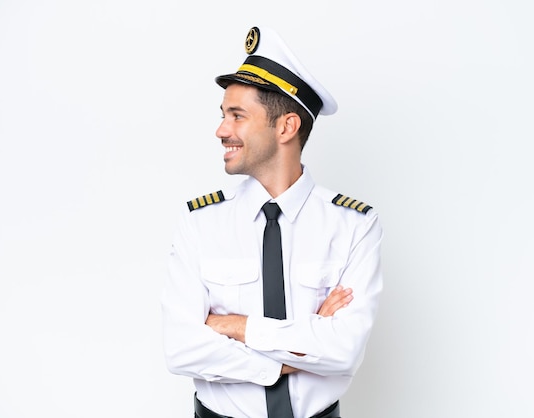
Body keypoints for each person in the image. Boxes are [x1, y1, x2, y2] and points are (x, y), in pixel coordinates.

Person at [161, 26, 383, 418]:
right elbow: (181, 348)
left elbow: (345, 351)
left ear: (286, 127)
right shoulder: (201, 222)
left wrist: (236, 326)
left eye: (237, 116)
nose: (221, 130)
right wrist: (300, 352)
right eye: (223, 115)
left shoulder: (353, 225)